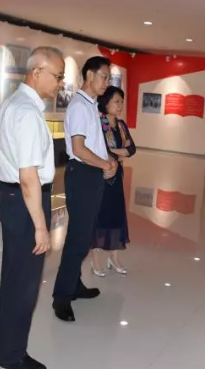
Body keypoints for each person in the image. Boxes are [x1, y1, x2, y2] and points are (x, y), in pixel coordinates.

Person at [0, 47, 64, 369]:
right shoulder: (28, 113)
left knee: (14, 273)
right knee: (24, 284)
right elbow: (29, 177)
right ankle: (12, 356)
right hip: (24, 201)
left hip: (10, 196)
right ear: (37, 72)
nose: (60, 83)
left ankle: (1, 338)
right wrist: (41, 226)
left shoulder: (15, 103)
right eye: (57, 76)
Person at [52, 56, 118, 323]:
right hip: (83, 175)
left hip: (92, 174)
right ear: (90, 75)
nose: (107, 82)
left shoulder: (91, 104)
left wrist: (109, 160)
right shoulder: (80, 106)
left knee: (84, 234)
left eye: (108, 78)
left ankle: (74, 284)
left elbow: (93, 143)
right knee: (78, 239)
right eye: (104, 77)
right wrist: (105, 164)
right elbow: (79, 149)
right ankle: (61, 297)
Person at [90, 86, 135, 277]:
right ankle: (95, 257)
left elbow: (132, 149)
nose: (120, 105)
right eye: (116, 101)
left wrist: (112, 152)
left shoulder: (121, 125)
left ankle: (113, 256)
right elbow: (96, 149)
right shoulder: (97, 124)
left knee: (116, 215)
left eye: (121, 101)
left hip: (116, 177)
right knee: (99, 214)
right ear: (105, 102)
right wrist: (119, 153)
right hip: (100, 175)